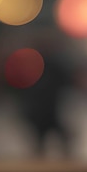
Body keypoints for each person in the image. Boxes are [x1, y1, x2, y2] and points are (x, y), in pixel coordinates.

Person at [13, 30, 76, 158]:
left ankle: (61, 165)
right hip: (39, 111)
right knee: (42, 142)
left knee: (55, 140)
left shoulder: (51, 65)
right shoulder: (34, 64)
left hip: (49, 110)